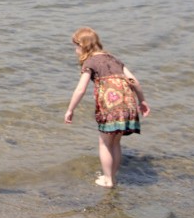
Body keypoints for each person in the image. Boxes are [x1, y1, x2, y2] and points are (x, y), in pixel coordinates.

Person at [64, 27, 150, 188]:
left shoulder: (89, 62)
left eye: (76, 46)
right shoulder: (113, 58)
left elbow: (80, 89)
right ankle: (113, 177)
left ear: (83, 45)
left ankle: (108, 179)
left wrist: (70, 109)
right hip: (128, 104)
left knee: (104, 143)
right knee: (115, 142)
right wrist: (142, 101)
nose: (75, 50)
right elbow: (134, 80)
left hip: (110, 105)